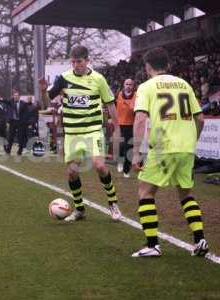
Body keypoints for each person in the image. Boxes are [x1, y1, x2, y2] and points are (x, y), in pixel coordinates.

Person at [132, 47, 208, 257]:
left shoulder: (147, 87)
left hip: (163, 147)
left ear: (148, 67)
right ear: (167, 65)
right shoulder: (184, 84)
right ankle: (200, 239)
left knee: (145, 192)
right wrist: (191, 141)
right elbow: (200, 119)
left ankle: (152, 245)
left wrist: (137, 152)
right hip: (185, 148)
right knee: (186, 194)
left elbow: (139, 119)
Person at [39, 45, 122, 222]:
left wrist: (117, 125)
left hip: (93, 130)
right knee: (72, 172)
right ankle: (80, 210)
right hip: (72, 133)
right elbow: (47, 103)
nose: (76, 65)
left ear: (87, 61)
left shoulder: (98, 79)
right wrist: (43, 91)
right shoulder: (63, 78)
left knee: (99, 165)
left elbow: (110, 103)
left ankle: (113, 203)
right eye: (74, 61)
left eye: (79, 61)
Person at [116, 78, 136, 178]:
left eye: (130, 84)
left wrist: (134, 110)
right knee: (122, 145)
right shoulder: (118, 94)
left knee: (130, 147)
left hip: (132, 124)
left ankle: (126, 170)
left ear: (133, 86)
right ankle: (120, 161)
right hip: (121, 123)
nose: (128, 86)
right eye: (126, 84)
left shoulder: (137, 96)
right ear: (124, 85)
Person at [3, 91, 29, 156]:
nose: (16, 96)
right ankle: (8, 149)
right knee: (11, 136)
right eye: (15, 95)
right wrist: (0, 99)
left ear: (19, 97)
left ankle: (20, 150)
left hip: (20, 122)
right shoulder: (11, 102)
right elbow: (5, 101)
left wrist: (24, 122)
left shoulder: (24, 104)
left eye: (17, 95)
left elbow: (26, 114)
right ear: (13, 96)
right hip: (13, 122)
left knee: (20, 137)